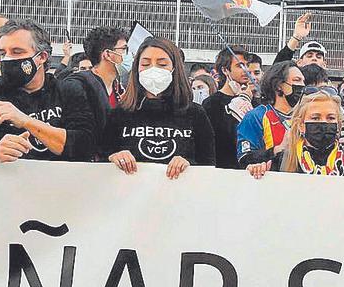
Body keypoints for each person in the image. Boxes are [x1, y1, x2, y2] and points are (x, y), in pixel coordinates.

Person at [0, 20, 95, 169]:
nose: (8, 59)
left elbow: (84, 145)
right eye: (3, 53)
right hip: (8, 186)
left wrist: (26, 121)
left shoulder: (68, 90)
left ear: (42, 57)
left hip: (61, 185)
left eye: (17, 52)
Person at [102, 37, 214, 179]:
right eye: (145, 64)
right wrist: (114, 157)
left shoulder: (195, 113)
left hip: (179, 195)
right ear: (137, 69)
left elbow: (209, 164)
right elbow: (102, 156)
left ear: (174, 68)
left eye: (162, 64)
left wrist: (189, 165)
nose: (153, 69)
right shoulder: (120, 113)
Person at [245, 91, 344, 178]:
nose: (323, 122)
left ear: (338, 125)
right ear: (301, 125)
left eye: (330, 118)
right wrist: (256, 171)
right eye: (315, 118)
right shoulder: (282, 161)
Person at [65, 26, 128, 150]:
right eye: (124, 49)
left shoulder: (118, 89)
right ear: (108, 55)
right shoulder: (80, 86)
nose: (130, 55)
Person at [236, 61, 304, 167]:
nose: (302, 85)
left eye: (303, 81)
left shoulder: (307, 116)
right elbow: (245, 158)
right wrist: (278, 149)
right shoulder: (255, 116)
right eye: (297, 80)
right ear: (278, 86)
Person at [202, 46, 258, 169]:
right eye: (240, 66)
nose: (246, 70)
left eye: (247, 65)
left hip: (253, 171)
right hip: (223, 171)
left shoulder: (257, 103)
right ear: (225, 70)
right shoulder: (211, 103)